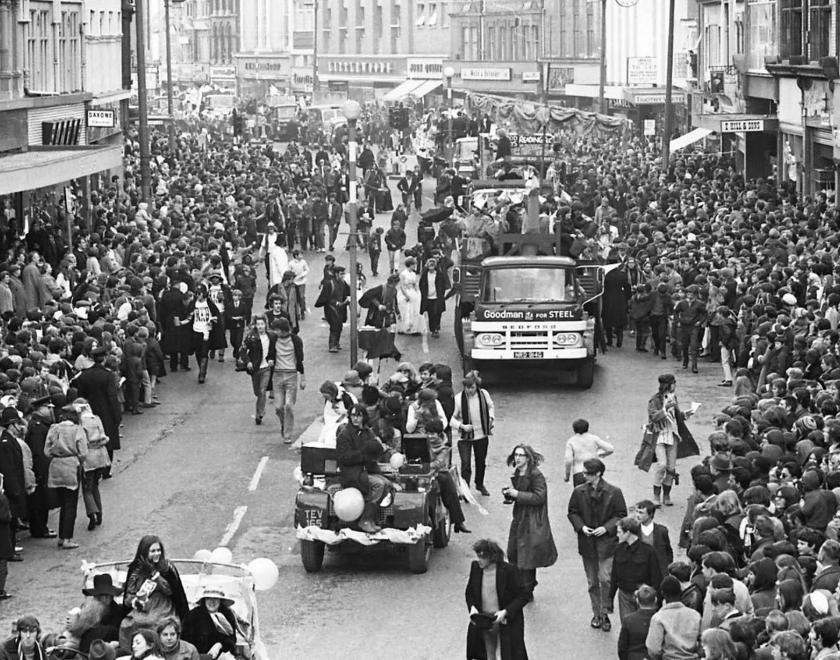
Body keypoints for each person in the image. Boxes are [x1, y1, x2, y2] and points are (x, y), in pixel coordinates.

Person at [567, 457, 628, 632]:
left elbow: (621, 514)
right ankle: (597, 613)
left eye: (588, 473)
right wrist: (581, 527)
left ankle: (605, 613)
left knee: (605, 579)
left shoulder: (614, 492)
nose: (584, 476)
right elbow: (572, 512)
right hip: (587, 543)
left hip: (607, 544)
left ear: (598, 474)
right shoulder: (579, 492)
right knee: (593, 581)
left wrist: (606, 528)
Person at [502, 444, 557, 602]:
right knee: (514, 553)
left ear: (528, 458)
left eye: (521, 455)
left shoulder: (535, 475)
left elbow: (539, 497)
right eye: (516, 455)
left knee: (527, 557)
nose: (517, 458)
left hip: (532, 521)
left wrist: (517, 494)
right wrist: (510, 494)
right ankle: (519, 587)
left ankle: (527, 590)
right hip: (519, 518)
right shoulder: (518, 472)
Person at [119, 535, 189, 653]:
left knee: (156, 623)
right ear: (144, 551)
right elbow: (129, 594)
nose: (157, 554)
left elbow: (171, 590)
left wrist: (155, 575)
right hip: (143, 606)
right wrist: (135, 601)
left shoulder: (167, 567)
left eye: (158, 550)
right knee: (128, 624)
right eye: (153, 551)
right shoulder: (136, 569)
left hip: (163, 605)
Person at [465, 539, 529, 660]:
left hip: (505, 622)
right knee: (488, 654)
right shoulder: (476, 568)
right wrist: (472, 607)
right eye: (478, 557)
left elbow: (524, 595)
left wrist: (506, 612)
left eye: (483, 557)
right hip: (485, 620)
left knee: (507, 654)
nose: (479, 560)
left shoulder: (509, 571)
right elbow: (470, 593)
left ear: (492, 557)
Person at [335, 404, 392, 533]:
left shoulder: (368, 432)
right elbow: (343, 458)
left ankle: (371, 518)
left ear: (363, 417)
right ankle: (365, 519)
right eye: (353, 415)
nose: (356, 419)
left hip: (367, 470)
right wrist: (363, 454)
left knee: (388, 484)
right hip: (352, 473)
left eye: (359, 416)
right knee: (379, 484)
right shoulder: (344, 435)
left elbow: (374, 450)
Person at [647, 374, 698, 507]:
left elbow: (676, 416)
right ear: (667, 385)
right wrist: (665, 409)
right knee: (662, 465)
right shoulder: (655, 400)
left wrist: (686, 414)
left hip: (673, 435)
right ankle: (656, 495)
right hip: (659, 436)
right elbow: (653, 417)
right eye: (673, 383)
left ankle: (667, 494)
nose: (675, 385)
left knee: (671, 468)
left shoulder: (673, 397)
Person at [45, 404, 87, 549]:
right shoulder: (77, 430)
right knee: (70, 504)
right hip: (71, 465)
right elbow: (83, 452)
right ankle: (67, 538)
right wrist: (78, 460)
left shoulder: (54, 428)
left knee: (63, 502)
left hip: (56, 466)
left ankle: (61, 537)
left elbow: (46, 451)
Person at [73, 346, 121, 467]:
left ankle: (93, 467)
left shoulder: (84, 375)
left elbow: (80, 397)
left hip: (89, 412)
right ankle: (107, 467)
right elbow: (112, 397)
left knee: (90, 440)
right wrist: (117, 416)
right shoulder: (107, 375)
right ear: (104, 358)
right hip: (106, 412)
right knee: (107, 441)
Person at [609, 516, 663, 622]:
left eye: (619, 532)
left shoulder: (648, 551)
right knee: (627, 624)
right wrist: (610, 597)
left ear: (628, 533)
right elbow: (614, 575)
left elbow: (656, 577)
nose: (617, 535)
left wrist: (658, 602)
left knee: (644, 625)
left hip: (644, 596)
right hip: (625, 595)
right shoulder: (619, 549)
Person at [451, 371, 495, 496]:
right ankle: (465, 489)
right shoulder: (458, 398)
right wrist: (462, 426)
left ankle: (479, 484)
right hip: (464, 438)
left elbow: (491, 406)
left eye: (472, 387)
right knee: (465, 464)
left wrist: (491, 417)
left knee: (481, 462)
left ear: (477, 386)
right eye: (467, 387)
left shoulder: (484, 394)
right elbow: (451, 419)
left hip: (481, 435)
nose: (469, 390)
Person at [424, 418, 470, 533]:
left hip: (439, 472)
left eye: (433, 434)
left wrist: (425, 466)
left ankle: (458, 522)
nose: (430, 436)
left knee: (450, 489)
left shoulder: (444, 446)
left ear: (439, 434)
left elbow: (439, 463)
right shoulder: (421, 441)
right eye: (428, 433)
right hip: (423, 471)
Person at [645, 576, 702, 660]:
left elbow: (654, 649)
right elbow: (703, 641)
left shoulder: (658, 618)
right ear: (680, 591)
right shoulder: (695, 615)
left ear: (662, 593)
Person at [76, 397, 109, 531]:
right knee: (95, 485)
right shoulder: (96, 419)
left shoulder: (80, 422)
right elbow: (103, 436)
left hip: (88, 457)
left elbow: (81, 442)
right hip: (100, 456)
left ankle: (92, 514)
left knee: (87, 489)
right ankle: (100, 513)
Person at [271, 317, 305, 443]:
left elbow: (300, 360)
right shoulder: (273, 340)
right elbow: (269, 353)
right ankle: (284, 424)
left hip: (291, 375)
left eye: (276, 330)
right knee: (278, 407)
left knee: (289, 406)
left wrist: (303, 378)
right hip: (277, 375)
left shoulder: (296, 340)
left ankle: (287, 434)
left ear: (282, 330)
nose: (274, 332)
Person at [181, 587, 237, 660]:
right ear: (204, 600)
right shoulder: (192, 615)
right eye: (208, 598)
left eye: (215, 599)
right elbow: (185, 641)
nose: (212, 602)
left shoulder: (227, 614)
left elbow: (232, 638)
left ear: (220, 600)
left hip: (222, 655)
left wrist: (220, 645)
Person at [239, 316, 276, 426]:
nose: (260, 326)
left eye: (262, 324)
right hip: (255, 369)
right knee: (258, 393)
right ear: (255, 325)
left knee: (262, 391)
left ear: (266, 324)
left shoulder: (271, 336)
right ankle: (260, 407)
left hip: (266, 368)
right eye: (258, 324)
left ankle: (259, 414)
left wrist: (272, 359)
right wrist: (248, 362)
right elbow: (242, 350)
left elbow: (274, 350)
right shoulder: (251, 337)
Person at [564, 419, 615, 486]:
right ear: (587, 428)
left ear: (574, 429)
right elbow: (610, 449)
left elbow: (568, 460)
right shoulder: (594, 438)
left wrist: (567, 476)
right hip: (594, 472)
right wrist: (601, 454)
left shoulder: (571, 441)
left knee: (580, 492)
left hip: (579, 472)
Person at [186, 284, 220, 384]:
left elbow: (216, 315)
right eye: (196, 293)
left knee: (204, 352)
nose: (198, 295)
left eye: (199, 293)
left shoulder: (209, 303)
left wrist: (212, 320)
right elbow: (188, 316)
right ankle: (201, 367)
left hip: (206, 331)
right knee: (198, 352)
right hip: (196, 330)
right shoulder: (193, 304)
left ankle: (202, 373)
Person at [314, 265, 350, 353]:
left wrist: (346, 300)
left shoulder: (343, 283)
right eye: (341, 274)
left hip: (341, 308)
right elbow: (325, 297)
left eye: (343, 274)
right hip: (331, 308)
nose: (343, 276)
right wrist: (335, 302)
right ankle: (332, 345)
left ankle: (336, 343)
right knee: (334, 326)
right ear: (336, 274)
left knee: (339, 326)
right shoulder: (329, 284)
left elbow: (347, 292)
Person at [617, 585, 658, 660]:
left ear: (637, 601)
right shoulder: (659, 619)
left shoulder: (628, 620)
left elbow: (622, 647)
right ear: (655, 600)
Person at [634, 499, 674, 576]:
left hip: (658, 573)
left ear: (650, 514)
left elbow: (668, 552)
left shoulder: (662, 531)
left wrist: (666, 568)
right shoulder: (634, 531)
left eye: (641, 513)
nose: (637, 515)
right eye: (637, 512)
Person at [419, 257, 449, 339]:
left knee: (437, 313)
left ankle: (436, 328)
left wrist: (441, 294)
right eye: (430, 266)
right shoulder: (424, 275)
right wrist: (424, 294)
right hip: (428, 298)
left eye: (432, 266)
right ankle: (432, 329)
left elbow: (443, 285)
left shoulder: (439, 275)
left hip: (437, 297)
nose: (431, 268)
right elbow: (421, 285)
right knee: (431, 314)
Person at [396, 256, 424, 335]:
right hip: (405, 293)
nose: (415, 266)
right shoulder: (403, 274)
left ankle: (413, 328)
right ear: (410, 264)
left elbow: (415, 284)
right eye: (414, 264)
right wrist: (406, 295)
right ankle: (403, 328)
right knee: (404, 310)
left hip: (413, 292)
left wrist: (417, 292)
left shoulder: (413, 274)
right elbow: (401, 286)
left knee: (414, 310)